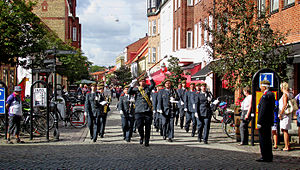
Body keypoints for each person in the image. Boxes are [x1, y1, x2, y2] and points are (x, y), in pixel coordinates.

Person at [128, 70, 155, 147]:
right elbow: (129, 92)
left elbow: (153, 85)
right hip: (139, 111)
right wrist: (132, 85)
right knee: (139, 126)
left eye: (144, 81)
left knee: (148, 127)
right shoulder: (136, 89)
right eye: (141, 81)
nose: (142, 82)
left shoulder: (147, 88)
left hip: (147, 110)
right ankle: (142, 136)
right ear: (139, 82)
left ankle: (147, 141)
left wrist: (150, 76)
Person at [256, 80, 275, 162]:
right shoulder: (271, 94)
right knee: (268, 139)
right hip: (268, 120)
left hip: (264, 121)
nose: (260, 88)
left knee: (263, 139)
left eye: (261, 86)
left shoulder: (266, 96)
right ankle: (268, 156)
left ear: (264, 87)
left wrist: (259, 121)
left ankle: (265, 156)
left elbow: (263, 110)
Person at [278, 82, 292, 151]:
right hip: (287, 114)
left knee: (284, 130)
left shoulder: (285, 95)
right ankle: (287, 145)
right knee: (285, 130)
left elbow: (285, 104)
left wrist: (281, 113)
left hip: (285, 115)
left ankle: (286, 146)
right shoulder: (289, 94)